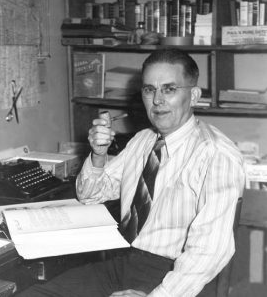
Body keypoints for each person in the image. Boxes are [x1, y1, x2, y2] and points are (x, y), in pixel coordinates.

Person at [16, 48, 245, 297]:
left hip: (177, 277)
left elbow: (209, 250)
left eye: (169, 89)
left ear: (194, 96)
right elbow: (90, 196)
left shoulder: (216, 154)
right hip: (125, 262)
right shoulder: (143, 141)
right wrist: (99, 154)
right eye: (149, 89)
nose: (157, 100)